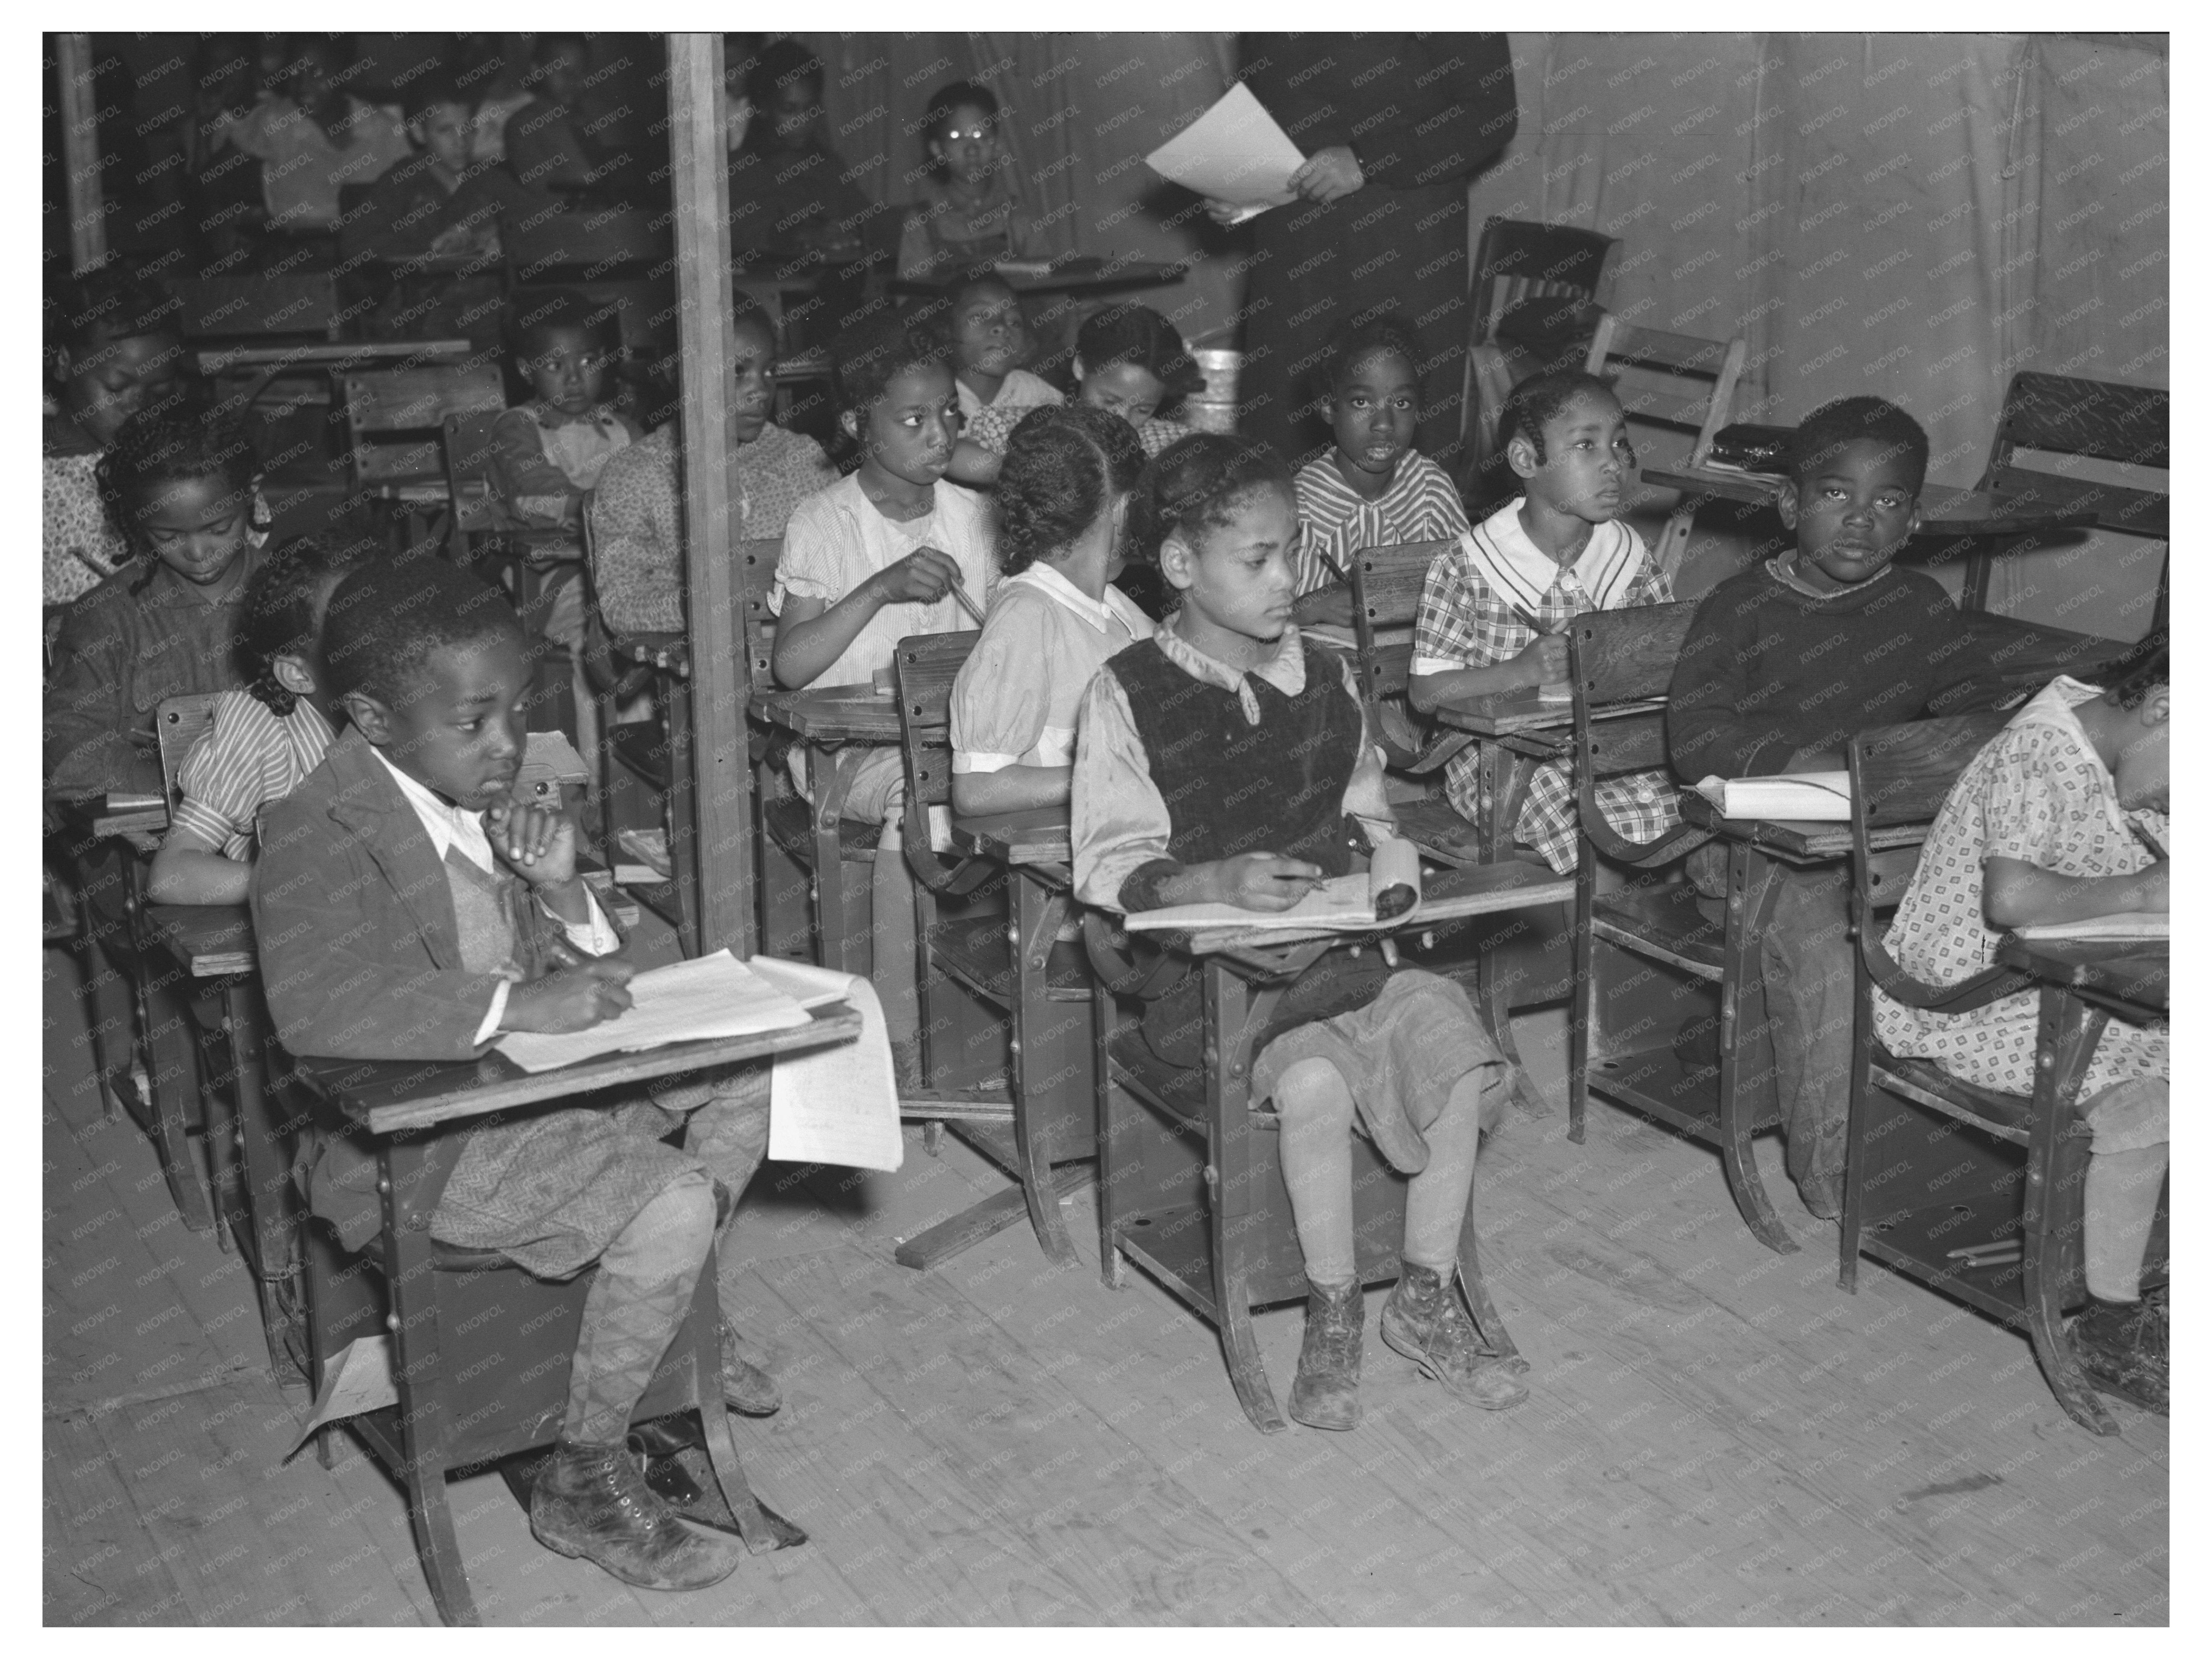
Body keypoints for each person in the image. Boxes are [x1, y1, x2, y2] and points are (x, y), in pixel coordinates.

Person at [252, 552, 778, 1593]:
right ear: (371, 714)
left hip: (541, 1090)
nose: (508, 747)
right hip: (429, 1143)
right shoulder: (313, 828)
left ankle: (669, 1307)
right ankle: (584, 1471)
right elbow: (314, 1009)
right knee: (671, 1196)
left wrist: (564, 892)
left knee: (750, 1073)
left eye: (518, 711)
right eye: (476, 722)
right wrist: (514, 1003)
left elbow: (592, 970)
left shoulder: (475, 793)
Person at [1072, 433, 1526, 1431]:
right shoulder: (1130, 691)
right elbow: (1107, 863)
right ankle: (1332, 1311)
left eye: (1294, 552)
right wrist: (1211, 876)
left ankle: (1422, 1288)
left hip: (1347, 944)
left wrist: (1390, 855)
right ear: (1183, 566)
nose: (1290, 579)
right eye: (1259, 558)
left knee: (1460, 1053)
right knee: (1316, 1084)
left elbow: (1365, 798)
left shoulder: (1322, 674)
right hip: (1220, 979)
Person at [1667, 395, 1979, 1220]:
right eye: (1837, 494)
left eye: (1888, 502)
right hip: (1742, 837)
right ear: (1789, 504)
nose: (1860, 521)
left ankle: (1949, 1145)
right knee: (1832, 935)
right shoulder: (1740, 607)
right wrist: (1794, 763)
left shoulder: (1920, 607)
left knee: (1986, 911)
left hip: (1870, 831)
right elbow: (1694, 738)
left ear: (1913, 521)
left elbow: (1963, 702)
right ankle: (1835, 1171)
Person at [1871, 642, 2170, 1413]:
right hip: (1971, 995)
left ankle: (2158, 1271)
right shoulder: (2040, 749)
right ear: (2164, 707)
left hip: (2071, 976)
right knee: (2148, 1104)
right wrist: (2146, 890)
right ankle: (2108, 1323)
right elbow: (2010, 900)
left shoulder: (2127, 747)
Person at [769, 314, 997, 1073]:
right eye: (914, 419)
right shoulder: (825, 521)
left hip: (958, 743)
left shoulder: (974, 517)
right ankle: (897, 1037)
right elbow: (794, 668)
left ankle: (1002, 1002)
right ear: (854, 424)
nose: (940, 435)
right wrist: (880, 588)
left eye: (949, 417)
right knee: (925, 804)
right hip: (851, 752)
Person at [1409, 371, 1677, 875]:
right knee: (1588, 822)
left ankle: (1622, 939)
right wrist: (1521, 671)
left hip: (1606, 751)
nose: (1612, 463)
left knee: (1680, 809)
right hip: (1500, 762)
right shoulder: (1469, 565)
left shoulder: (1628, 557)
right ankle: (1586, 942)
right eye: (1586, 445)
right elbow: (1427, 693)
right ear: (1526, 460)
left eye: (1618, 444)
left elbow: (1667, 661)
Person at [1217, 36, 1517, 474]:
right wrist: (1239, 179)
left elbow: (1491, 115)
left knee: (1390, 421)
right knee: (1281, 431)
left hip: (1401, 241)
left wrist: (1367, 161)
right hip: (1293, 246)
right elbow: (1261, 104)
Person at [46, 407, 270, 798]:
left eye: (219, 528)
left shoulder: (294, 593)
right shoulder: (108, 618)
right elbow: (64, 738)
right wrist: (166, 781)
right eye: (168, 536)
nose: (199, 552)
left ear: (251, 492)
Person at [145, 532, 377, 907]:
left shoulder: (415, 715)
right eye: (360, 637)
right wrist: (293, 883)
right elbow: (171, 874)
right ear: (299, 676)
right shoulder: (258, 732)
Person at [950, 405, 1151, 817]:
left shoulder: (1120, 610)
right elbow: (976, 790)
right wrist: (1116, 774)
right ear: (1123, 507)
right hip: (1054, 858)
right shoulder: (1028, 616)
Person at [588, 305, 835, 636]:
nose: (761, 391)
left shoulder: (801, 459)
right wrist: (708, 604)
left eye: (770, 372)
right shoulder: (636, 475)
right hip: (700, 666)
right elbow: (621, 604)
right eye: (737, 370)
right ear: (679, 374)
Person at [1292, 313, 1472, 595]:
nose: (1385, 423)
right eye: (1362, 402)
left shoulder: (1431, 491)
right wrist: (1308, 608)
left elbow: (1471, 589)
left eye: (1402, 403)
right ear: (1329, 407)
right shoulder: (1300, 503)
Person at [45, 269, 189, 607]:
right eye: (118, 389)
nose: (139, 408)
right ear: (65, 363)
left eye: (159, 391)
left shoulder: (174, 458)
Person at [949, 302, 1200, 487]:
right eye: (1110, 401)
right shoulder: (1015, 426)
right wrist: (1031, 470)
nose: (1122, 419)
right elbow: (951, 455)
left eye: (1143, 409)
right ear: (1080, 367)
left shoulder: (1171, 445)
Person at [228, 34, 411, 234]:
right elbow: (220, 177)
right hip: (294, 254)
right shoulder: (275, 122)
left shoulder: (385, 129)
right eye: (295, 72)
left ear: (346, 73)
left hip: (369, 254)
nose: (304, 85)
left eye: (317, 72)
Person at [896, 81, 1041, 284]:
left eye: (981, 136)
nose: (971, 149)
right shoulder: (923, 222)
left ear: (998, 146)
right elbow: (912, 302)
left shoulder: (1017, 216)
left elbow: (1049, 292)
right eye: (957, 137)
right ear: (938, 150)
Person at [930, 271, 1061, 426]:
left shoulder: (1034, 394)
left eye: (1014, 322)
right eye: (981, 317)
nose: (1001, 327)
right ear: (946, 332)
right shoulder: (933, 395)